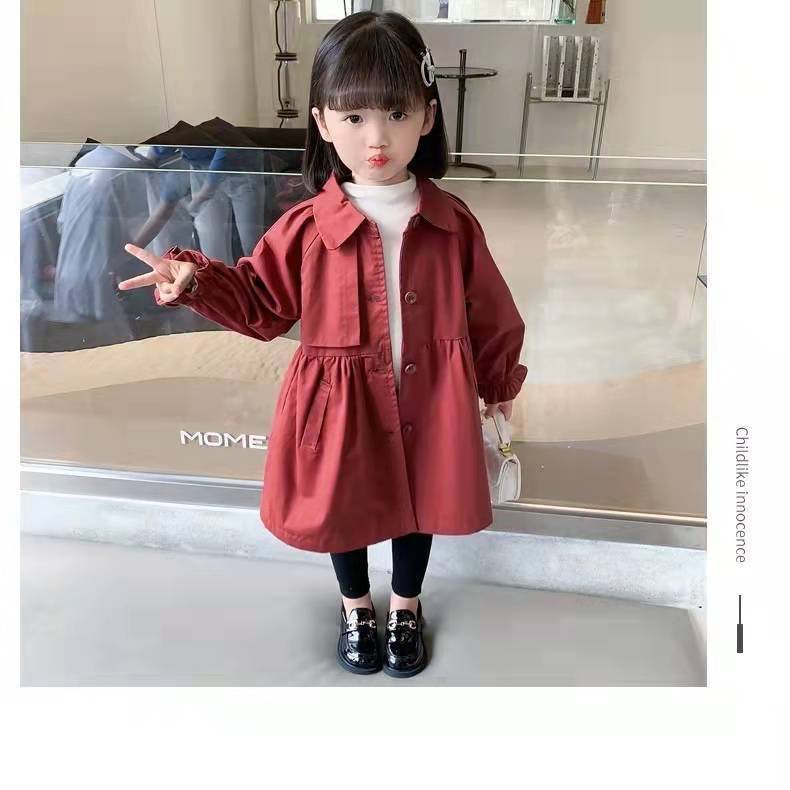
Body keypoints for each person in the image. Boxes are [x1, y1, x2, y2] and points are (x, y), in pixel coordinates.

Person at [119, 11, 527, 679]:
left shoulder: (453, 224)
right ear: (322, 122)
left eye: (396, 113)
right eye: (354, 116)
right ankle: (355, 605)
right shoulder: (307, 226)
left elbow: (490, 310)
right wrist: (195, 279)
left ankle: (405, 605)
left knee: (418, 503)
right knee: (345, 505)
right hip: (341, 404)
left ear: (428, 116)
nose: (376, 136)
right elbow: (261, 301)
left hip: (431, 395)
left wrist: (498, 383)